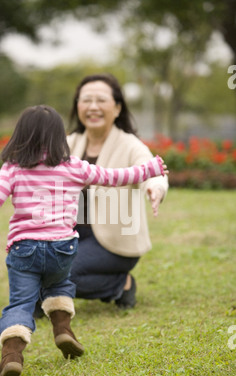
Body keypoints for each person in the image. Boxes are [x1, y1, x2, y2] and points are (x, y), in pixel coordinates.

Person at [0, 105, 167, 376]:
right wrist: (151, 168)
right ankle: (63, 329)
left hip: (24, 248)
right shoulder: (73, 166)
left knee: (21, 303)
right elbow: (114, 177)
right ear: (59, 137)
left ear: (20, 136)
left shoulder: (13, 168)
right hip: (63, 247)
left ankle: (12, 355)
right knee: (60, 285)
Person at [66, 73, 169, 309]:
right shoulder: (69, 142)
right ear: (77, 106)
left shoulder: (130, 144)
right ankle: (47, 295)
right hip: (74, 235)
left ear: (117, 107)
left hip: (114, 242)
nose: (93, 107)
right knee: (34, 263)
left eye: (101, 100)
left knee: (62, 274)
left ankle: (121, 285)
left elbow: (153, 171)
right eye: (86, 100)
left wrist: (156, 187)